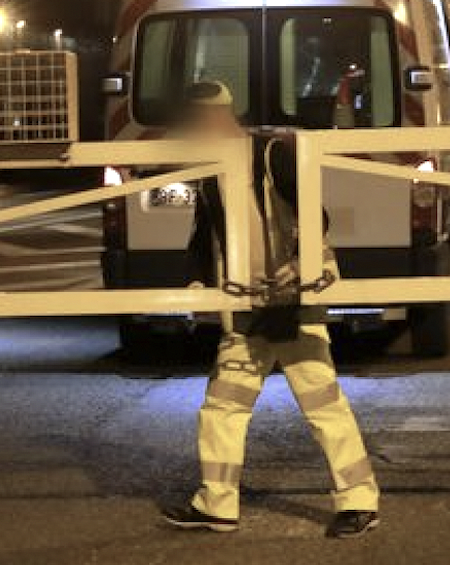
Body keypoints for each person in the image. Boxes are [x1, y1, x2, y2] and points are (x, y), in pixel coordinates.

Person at [161, 81, 381, 538]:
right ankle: (217, 504)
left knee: (321, 402)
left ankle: (359, 501)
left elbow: (315, 214)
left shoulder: (269, 154)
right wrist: (199, 284)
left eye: (201, 122)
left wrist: (300, 265)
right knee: (223, 406)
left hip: (293, 298)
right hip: (245, 303)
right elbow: (205, 233)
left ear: (219, 117)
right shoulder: (212, 171)